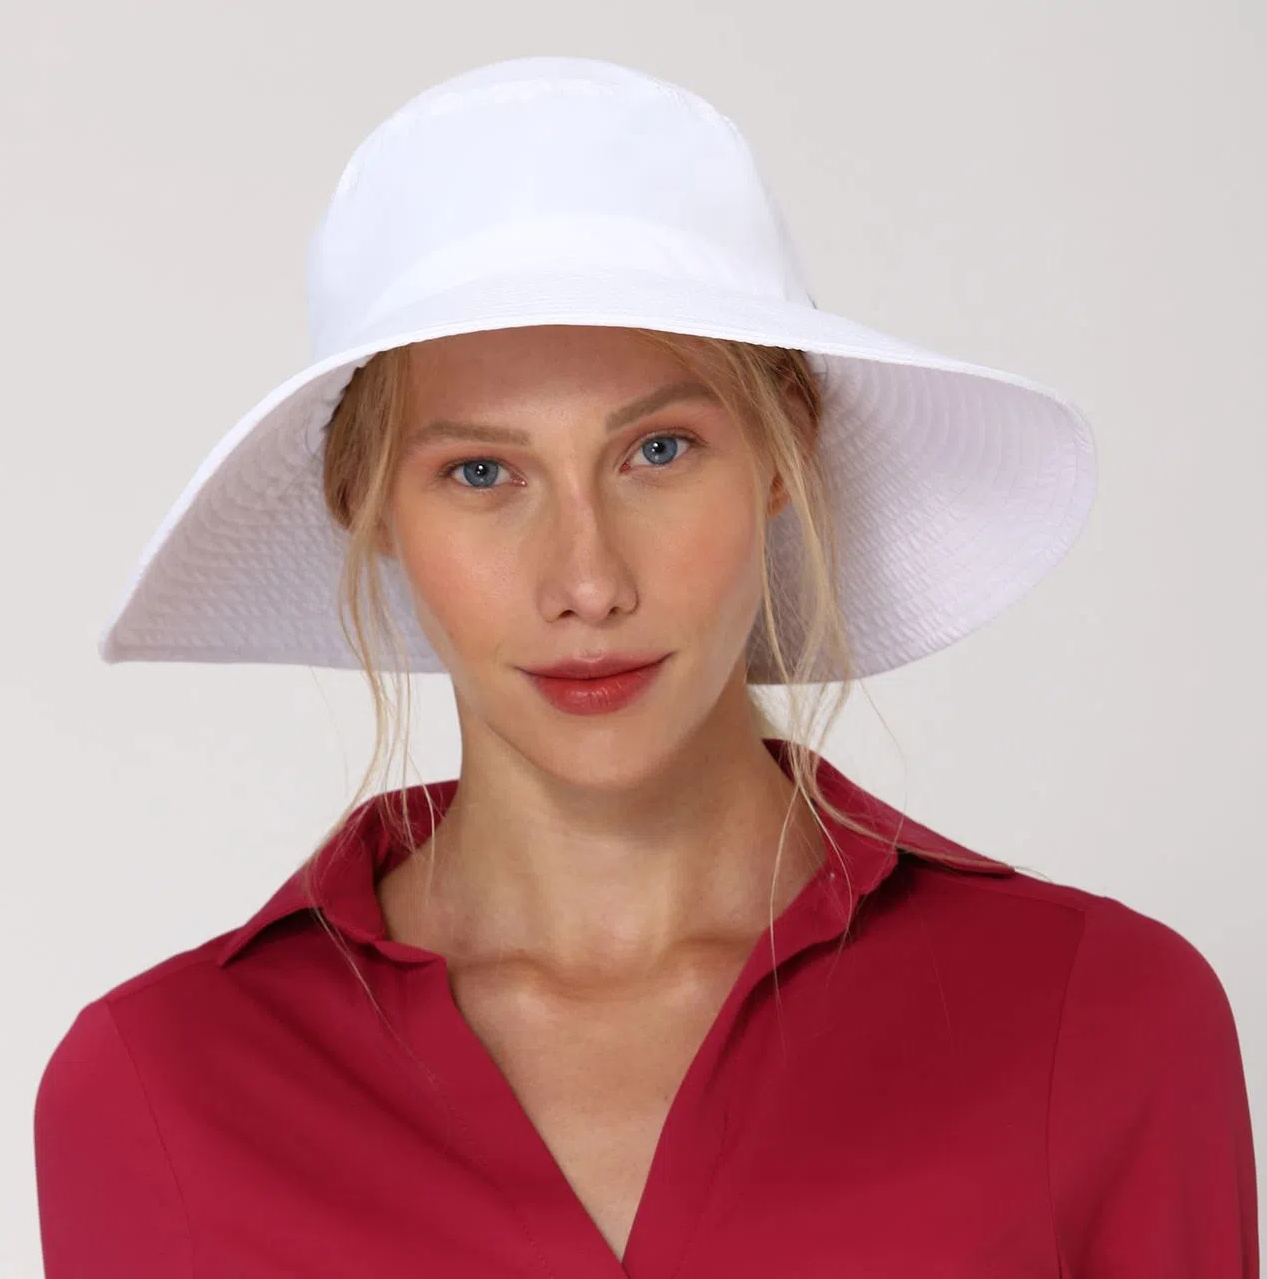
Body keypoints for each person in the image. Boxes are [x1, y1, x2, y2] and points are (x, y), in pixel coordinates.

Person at [33, 55, 1258, 1278]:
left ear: (781, 453)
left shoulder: (1097, 1022)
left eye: (658, 450)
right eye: (480, 472)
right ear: (368, 504)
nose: (587, 580)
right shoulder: (165, 1093)